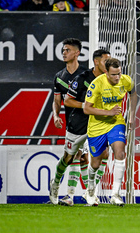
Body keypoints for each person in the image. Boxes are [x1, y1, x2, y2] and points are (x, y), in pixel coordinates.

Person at [56, 49, 112, 206]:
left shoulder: (110, 80)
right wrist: (87, 106)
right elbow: (67, 101)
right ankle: (66, 192)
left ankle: (89, 192)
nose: (108, 65)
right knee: (73, 157)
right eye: (105, 61)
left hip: (98, 123)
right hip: (80, 123)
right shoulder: (82, 78)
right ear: (96, 61)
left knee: (104, 154)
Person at [84, 58, 137, 206]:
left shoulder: (125, 80)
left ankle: (115, 195)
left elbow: (133, 93)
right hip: (97, 126)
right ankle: (90, 191)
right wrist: (108, 112)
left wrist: (131, 115)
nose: (117, 77)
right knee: (95, 163)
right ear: (106, 72)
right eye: (113, 74)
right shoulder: (97, 84)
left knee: (120, 152)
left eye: (119, 73)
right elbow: (86, 109)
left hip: (116, 123)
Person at [48, 38, 87, 205]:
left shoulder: (87, 75)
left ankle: (71, 196)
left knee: (81, 156)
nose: (64, 53)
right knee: (69, 158)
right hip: (71, 124)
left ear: (77, 53)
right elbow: (57, 101)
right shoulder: (59, 77)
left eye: (67, 50)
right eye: (63, 50)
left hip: (87, 122)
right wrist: (56, 115)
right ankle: (56, 185)